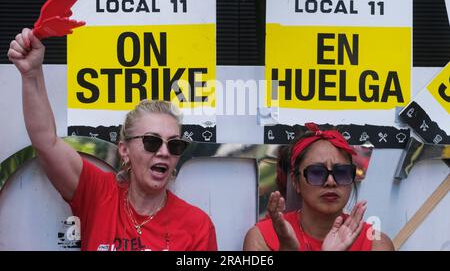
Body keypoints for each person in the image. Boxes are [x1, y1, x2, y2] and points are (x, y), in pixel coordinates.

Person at [7, 28, 217, 251]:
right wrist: (32, 74)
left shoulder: (197, 227)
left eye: (174, 144)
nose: (164, 152)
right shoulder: (98, 195)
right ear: (124, 150)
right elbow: (46, 142)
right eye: (152, 142)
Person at [243, 123, 394, 251]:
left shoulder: (377, 244)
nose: (330, 181)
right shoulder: (263, 237)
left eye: (341, 172)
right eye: (316, 172)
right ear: (296, 182)